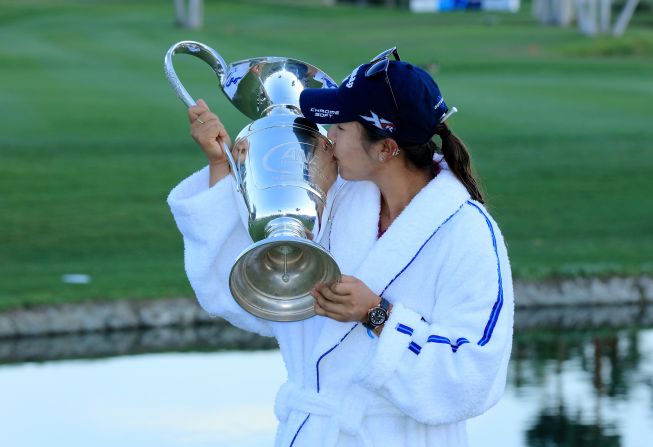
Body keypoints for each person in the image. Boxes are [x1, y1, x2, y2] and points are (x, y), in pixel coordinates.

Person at [167, 47, 514, 447]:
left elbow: (473, 379)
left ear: (386, 148)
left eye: (341, 128)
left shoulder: (466, 234)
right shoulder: (336, 200)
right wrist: (220, 164)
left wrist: (377, 314)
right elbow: (250, 294)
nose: (328, 138)